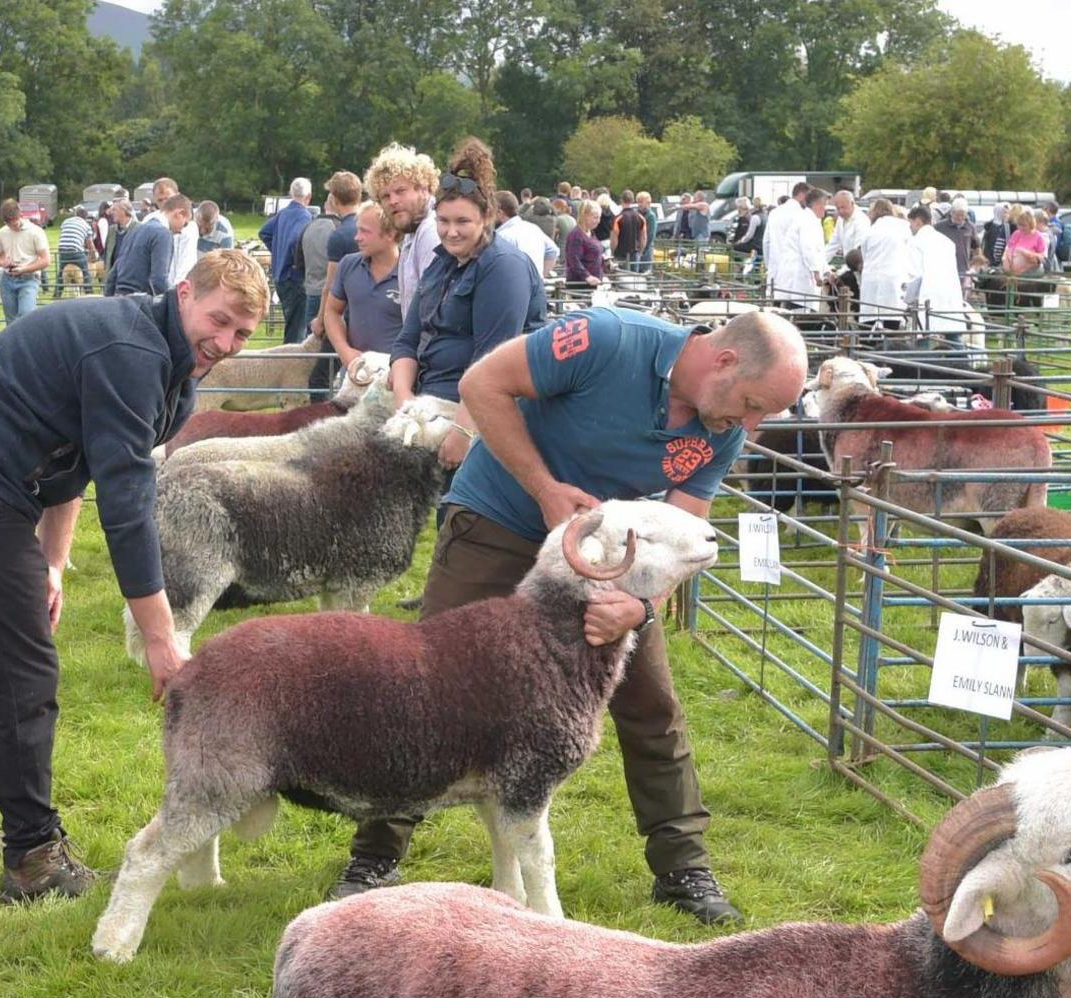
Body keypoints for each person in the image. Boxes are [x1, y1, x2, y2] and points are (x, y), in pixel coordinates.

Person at [334, 303, 806, 922]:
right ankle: (376, 853)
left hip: (616, 563)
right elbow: (482, 383)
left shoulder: (721, 430)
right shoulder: (607, 340)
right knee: (431, 685)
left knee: (651, 703)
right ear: (724, 360)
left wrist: (637, 609)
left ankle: (683, 866)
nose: (751, 423)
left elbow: (687, 535)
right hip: (503, 522)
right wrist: (543, 487)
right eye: (751, 404)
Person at [0, 249, 269, 900]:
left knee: (1, 668)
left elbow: (79, 462)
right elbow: (126, 507)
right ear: (184, 294)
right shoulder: (131, 353)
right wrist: (159, 634)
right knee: (25, 674)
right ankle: (33, 859)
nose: (225, 341)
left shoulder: (172, 371)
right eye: (219, 320)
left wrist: (53, 562)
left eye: (242, 332)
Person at [388, 139, 545, 424]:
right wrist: (403, 398)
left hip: (476, 415)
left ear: (486, 217)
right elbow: (407, 340)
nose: (450, 232)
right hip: (423, 403)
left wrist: (461, 435)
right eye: (443, 221)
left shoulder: (502, 267)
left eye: (462, 221)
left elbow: (492, 366)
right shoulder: (440, 264)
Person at [321, 200, 405, 366]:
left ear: (391, 234)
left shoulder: (411, 272)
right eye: (358, 229)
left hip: (398, 375)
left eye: (364, 232)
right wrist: (344, 350)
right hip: (356, 371)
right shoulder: (348, 265)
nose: (357, 237)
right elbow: (331, 311)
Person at [367, 144, 441, 312]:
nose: (392, 201)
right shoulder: (412, 231)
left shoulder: (433, 231)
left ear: (423, 188)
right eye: (385, 196)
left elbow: (432, 313)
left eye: (400, 191)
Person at [301, 173, 361, 341]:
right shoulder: (371, 226)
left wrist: (321, 321)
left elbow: (331, 283)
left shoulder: (339, 235)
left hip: (342, 311)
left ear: (333, 199)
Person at [257, 178, 314, 342]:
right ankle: (290, 363)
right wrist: (296, 262)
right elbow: (295, 241)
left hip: (279, 276)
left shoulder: (282, 214)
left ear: (291, 194)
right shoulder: (305, 216)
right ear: (308, 197)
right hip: (294, 277)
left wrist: (277, 252)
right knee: (297, 329)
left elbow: (264, 232)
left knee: (292, 323)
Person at [906, 205, 972, 339]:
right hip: (950, 295)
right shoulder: (946, 241)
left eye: (911, 223)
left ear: (918, 221)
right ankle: (961, 359)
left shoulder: (916, 242)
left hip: (929, 296)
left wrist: (908, 299)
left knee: (925, 337)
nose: (910, 227)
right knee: (953, 336)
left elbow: (916, 275)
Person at [105, 191, 188, 297]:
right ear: (179, 213)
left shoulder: (134, 230)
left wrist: (109, 302)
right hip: (141, 304)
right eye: (185, 224)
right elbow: (158, 280)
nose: (181, 230)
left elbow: (112, 275)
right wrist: (173, 304)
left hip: (119, 300)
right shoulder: (163, 234)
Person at [856, 197, 916, 330]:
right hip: (894, 278)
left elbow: (864, 254)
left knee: (870, 317)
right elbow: (910, 252)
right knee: (892, 315)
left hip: (872, 278)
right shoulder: (903, 227)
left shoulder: (870, 230)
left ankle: (868, 346)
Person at [0, 199, 50, 325]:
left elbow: (46, 260)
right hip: (8, 279)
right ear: (5, 221)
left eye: (16, 220)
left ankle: (30, 343)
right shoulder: (2, 233)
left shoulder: (35, 232)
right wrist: (3, 263)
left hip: (29, 279)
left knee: (26, 316)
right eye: (10, 223)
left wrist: (24, 269)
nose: (14, 224)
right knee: (11, 321)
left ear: (21, 215)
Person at [491, 189, 557, 286]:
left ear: (500, 213)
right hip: (535, 289)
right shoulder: (533, 228)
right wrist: (540, 277)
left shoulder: (501, 237)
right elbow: (553, 251)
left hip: (513, 290)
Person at [563, 199, 609, 285]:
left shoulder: (590, 233)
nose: (598, 221)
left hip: (594, 282)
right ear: (585, 216)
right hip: (581, 284)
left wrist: (604, 261)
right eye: (595, 217)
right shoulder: (576, 235)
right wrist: (587, 276)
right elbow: (573, 260)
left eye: (599, 218)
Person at [56, 204, 92, 296]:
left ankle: (57, 294)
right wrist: (93, 254)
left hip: (62, 250)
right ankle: (89, 293)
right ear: (86, 217)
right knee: (85, 271)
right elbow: (90, 244)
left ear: (76, 214)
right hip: (76, 251)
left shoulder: (66, 221)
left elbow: (65, 233)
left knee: (61, 272)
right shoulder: (86, 225)